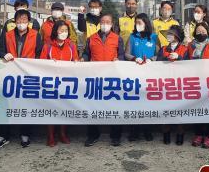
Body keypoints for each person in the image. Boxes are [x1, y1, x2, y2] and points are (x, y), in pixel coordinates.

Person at [0, 10, 43, 149]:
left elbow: (39, 54)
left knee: (26, 105)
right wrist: (4, 54)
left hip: (28, 75)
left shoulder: (36, 35)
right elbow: (0, 50)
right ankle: (3, 135)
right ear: (15, 21)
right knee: (7, 104)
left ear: (29, 21)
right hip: (10, 75)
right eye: (19, 19)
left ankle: (25, 134)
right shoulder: (7, 35)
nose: (22, 22)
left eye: (24, 19)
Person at [81, 13, 124, 147]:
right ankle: (93, 135)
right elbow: (86, 53)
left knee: (115, 107)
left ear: (112, 24)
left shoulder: (117, 38)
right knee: (92, 107)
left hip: (112, 78)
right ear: (99, 23)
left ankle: (115, 136)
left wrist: (119, 59)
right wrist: (83, 59)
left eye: (108, 22)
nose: (105, 24)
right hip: (96, 77)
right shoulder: (91, 38)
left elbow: (122, 55)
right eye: (103, 22)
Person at [41, 20, 79, 146]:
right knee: (51, 109)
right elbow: (40, 64)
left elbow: (76, 60)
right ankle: (51, 135)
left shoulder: (71, 45)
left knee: (64, 108)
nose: (64, 33)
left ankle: (62, 133)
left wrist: (77, 62)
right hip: (51, 82)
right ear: (55, 31)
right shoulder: (48, 46)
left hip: (66, 83)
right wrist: (49, 63)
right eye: (61, 30)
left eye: (66, 30)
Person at [124, 13, 158, 142]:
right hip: (135, 75)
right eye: (136, 23)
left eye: (140, 23)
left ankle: (148, 131)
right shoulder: (132, 37)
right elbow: (126, 53)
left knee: (148, 104)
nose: (137, 25)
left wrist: (151, 59)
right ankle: (134, 132)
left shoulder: (154, 37)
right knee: (135, 104)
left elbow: (159, 53)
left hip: (150, 75)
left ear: (146, 24)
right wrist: (134, 58)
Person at [188, 23, 209, 148]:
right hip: (196, 82)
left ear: (207, 32)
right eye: (198, 31)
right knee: (198, 109)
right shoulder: (190, 46)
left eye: (203, 31)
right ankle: (198, 134)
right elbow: (186, 62)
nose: (201, 33)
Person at [158, 25, 189, 146]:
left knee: (180, 110)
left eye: (171, 34)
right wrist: (166, 57)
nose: (169, 36)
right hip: (165, 83)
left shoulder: (185, 49)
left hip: (180, 84)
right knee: (166, 109)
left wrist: (179, 57)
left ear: (178, 36)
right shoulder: (163, 49)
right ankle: (166, 133)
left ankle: (180, 134)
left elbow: (190, 65)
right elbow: (157, 63)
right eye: (168, 33)